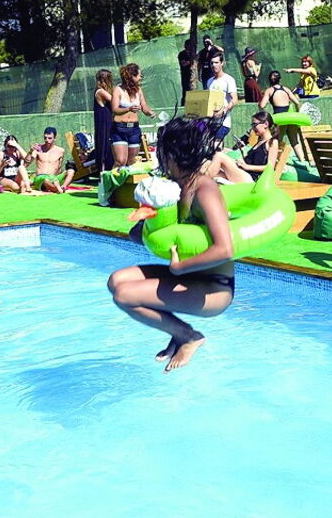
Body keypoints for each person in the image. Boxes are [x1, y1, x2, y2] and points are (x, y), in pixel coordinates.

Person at [108, 116, 236, 373]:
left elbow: (225, 249)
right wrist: (146, 224)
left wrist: (180, 268)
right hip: (189, 277)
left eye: (162, 152)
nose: (159, 159)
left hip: (213, 289)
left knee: (125, 296)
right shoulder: (174, 187)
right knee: (116, 280)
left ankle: (189, 336)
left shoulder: (204, 189)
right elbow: (144, 234)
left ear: (173, 155)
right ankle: (178, 334)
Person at [111, 63, 156, 167]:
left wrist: (150, 112)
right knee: (120, 161)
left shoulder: (139, 90)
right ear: (131, 76)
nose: (140, 78)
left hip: (134, 129)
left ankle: (129, 183)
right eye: (139, 75)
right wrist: (128, 109)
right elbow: (114, 110)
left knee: (132, 162)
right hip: (119, 129)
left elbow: (144, 107)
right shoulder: (118, 90)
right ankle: (112, 183)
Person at [258, 70, 305, 161]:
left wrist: (260, 107)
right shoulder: (286, 89)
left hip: (280, 119)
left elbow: (262, 105)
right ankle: (302, 161)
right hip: (291, 118)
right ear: (280, 79)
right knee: (295, 141)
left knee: (276, 141)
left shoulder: (269, 90)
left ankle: (275, 161)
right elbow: (297, 102)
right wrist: (297, 113)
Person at [26, 127, 75, 193]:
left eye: (49, 138)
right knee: (46, 180)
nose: (47, 140)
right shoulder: (38, 149)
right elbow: (27, 163)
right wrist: (30, 151)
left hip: (54, 178)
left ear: (55, 138)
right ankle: (57, 189)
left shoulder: (60, 151)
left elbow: (59, 167)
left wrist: (58, 177)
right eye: (45, 138)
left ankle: (63, 186)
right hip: (41, 177)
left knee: (71, 171)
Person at [205, 51, 239, 142]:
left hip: (223, 123)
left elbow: (235, 99)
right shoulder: (209, 81)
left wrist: (223, 111)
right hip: (210, 122)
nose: (213, 65)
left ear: (222, 63)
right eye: (212, 63)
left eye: (216, 62)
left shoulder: (228, 80)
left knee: (216, 146)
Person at [237, 111, 279, 182]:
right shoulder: (259, 141)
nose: (253, 128)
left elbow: (270, 167)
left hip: (252, 178)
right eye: (252, 125)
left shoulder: (272, 142)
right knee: (213, 163)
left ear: (266, 124)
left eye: (255, 124)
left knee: (220, 157)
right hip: (245, 173)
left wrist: (247, 167)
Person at [93, 69, 115, 172]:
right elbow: (114, 101)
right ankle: (103, 171)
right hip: (103, 123)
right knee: (104, 146)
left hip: (108, 121)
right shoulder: (100, 91)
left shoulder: (105, 91)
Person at [177, 40, 194, 106]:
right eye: (188, 45)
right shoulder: (182, 54)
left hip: (192, 75)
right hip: (185, 75)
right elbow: (184, 63)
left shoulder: (193, 53)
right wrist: (192, 60)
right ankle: (184, 105)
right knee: (186, 91)